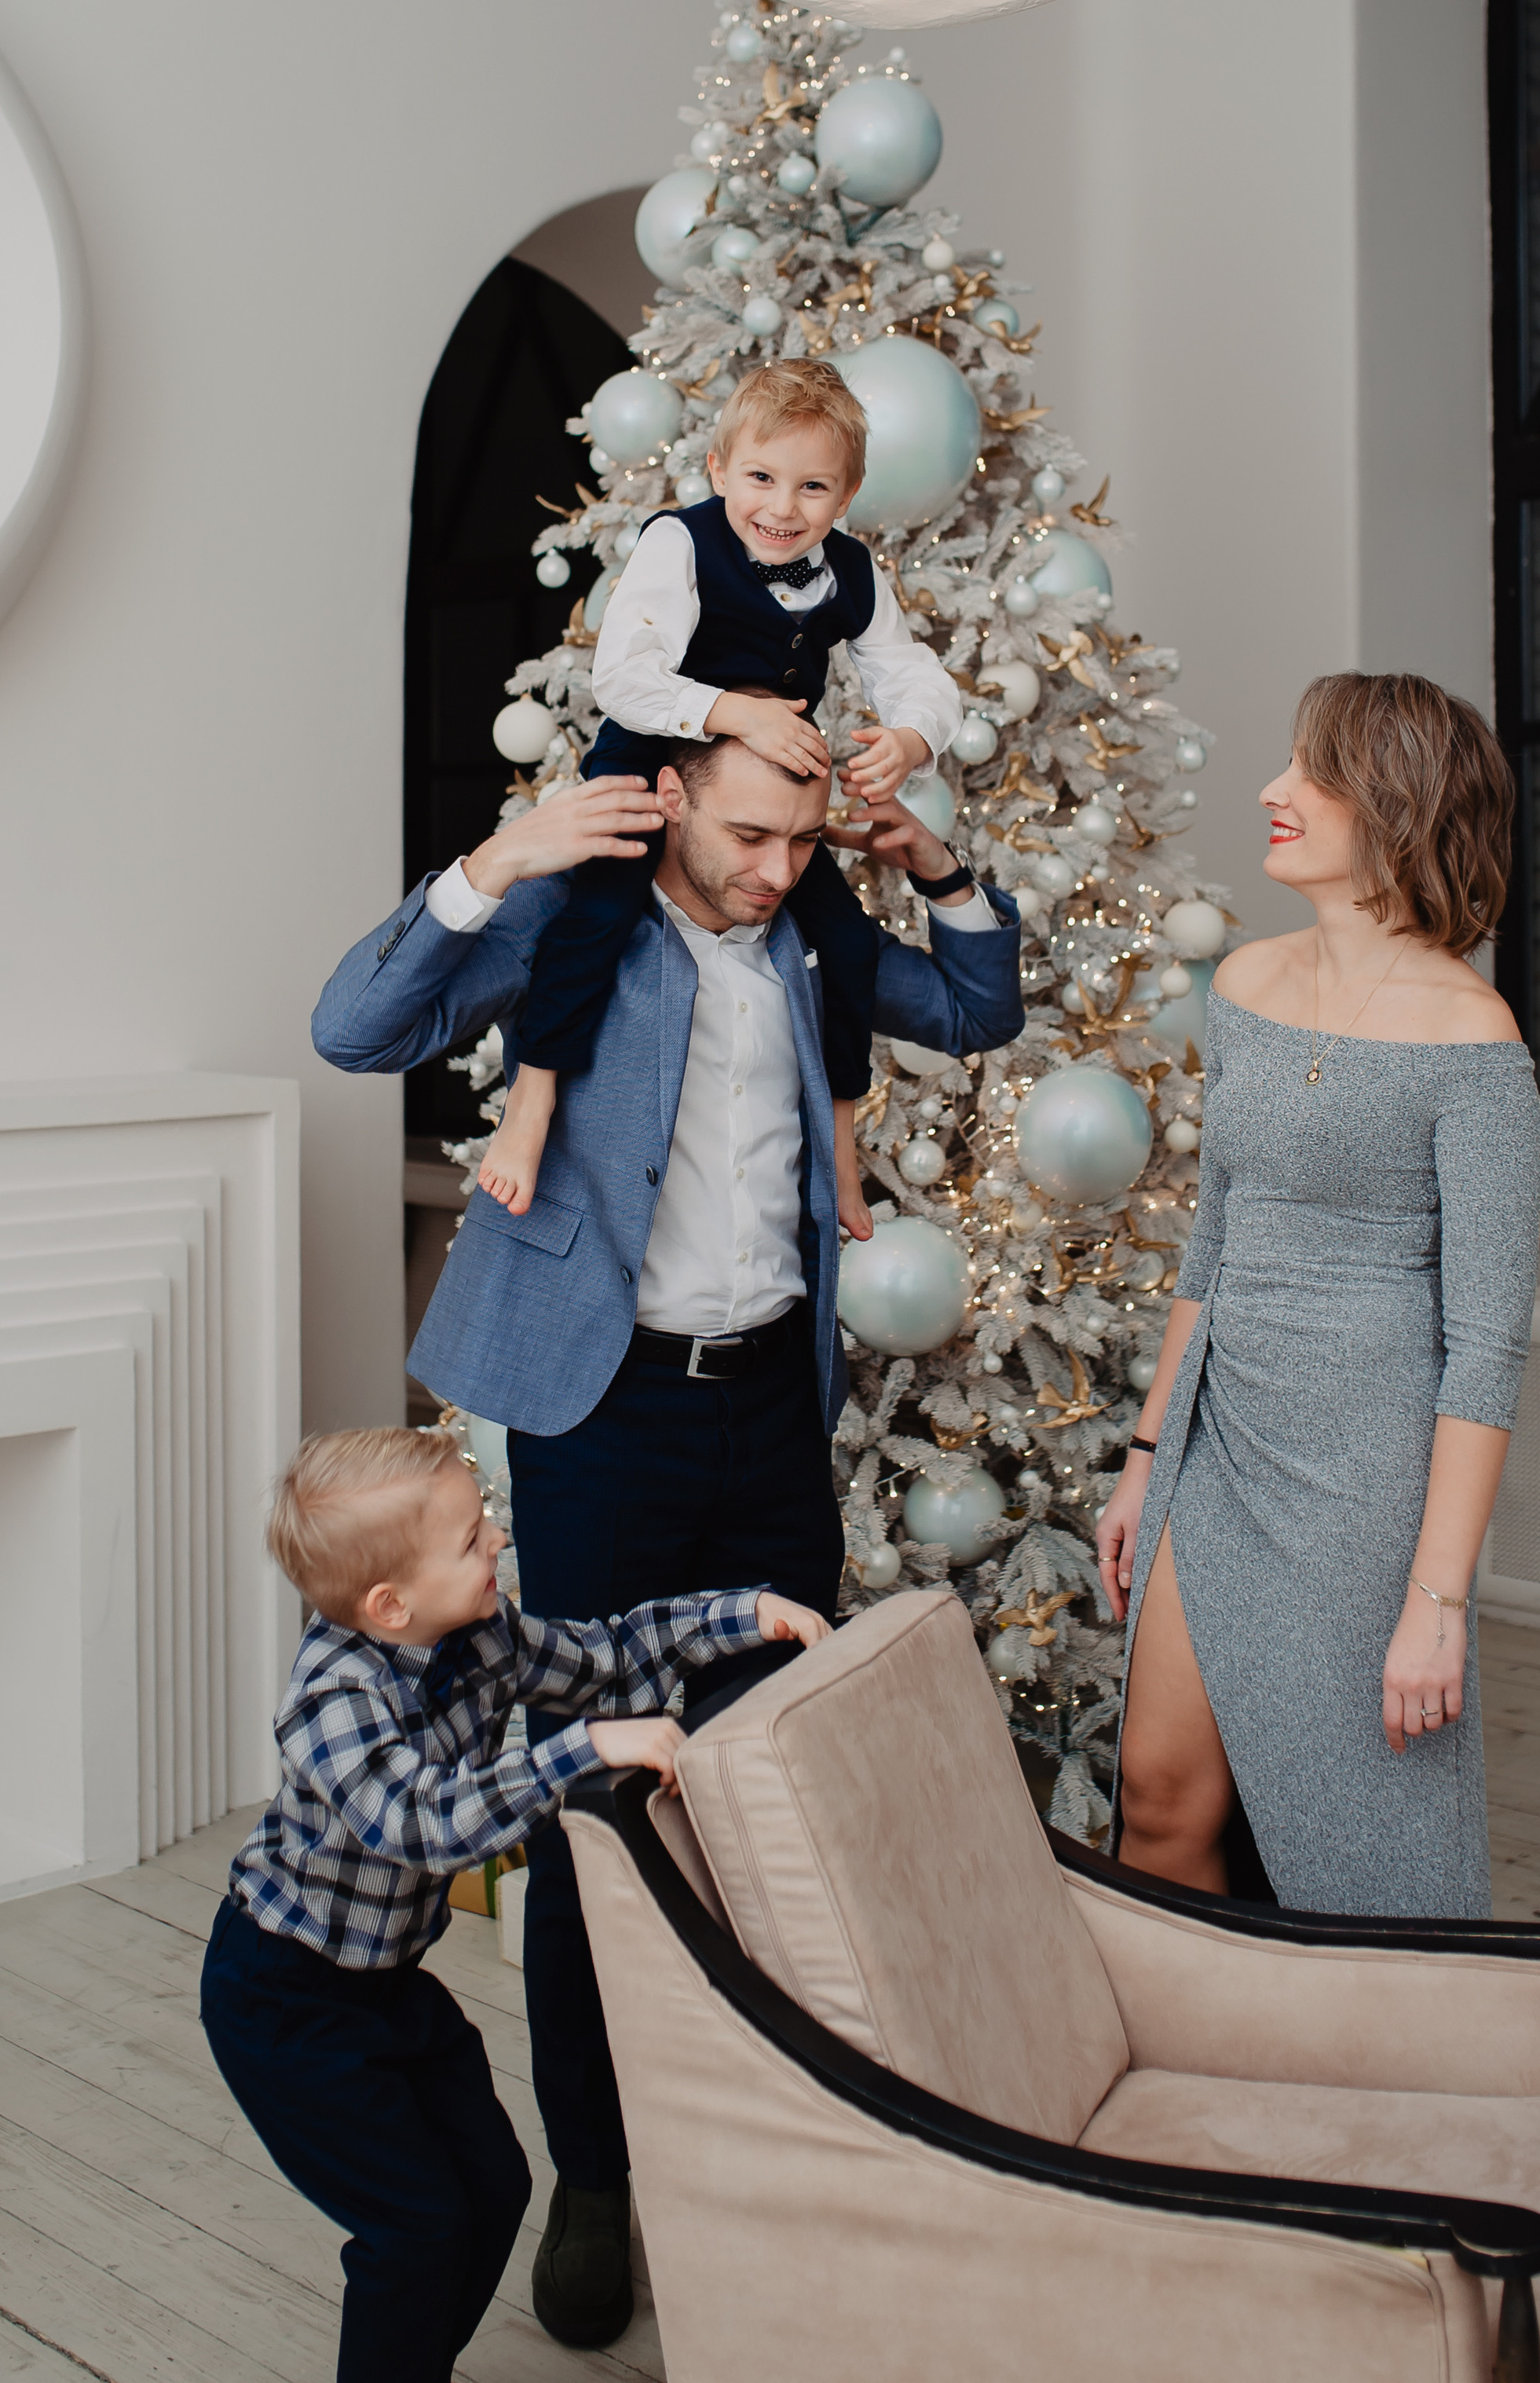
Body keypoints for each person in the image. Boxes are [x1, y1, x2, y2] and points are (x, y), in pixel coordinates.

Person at [313, 732, 1022, 2348]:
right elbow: (354, 1026)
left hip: (771, 1411)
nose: (775, 866)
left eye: (800, 838)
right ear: (673, 796)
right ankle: (600, 2173)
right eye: (751, 832)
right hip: (603, 1419)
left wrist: (932, 866)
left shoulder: (818, 933)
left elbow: (980, 1009)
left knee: (763, 1780)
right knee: (599, 1806)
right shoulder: (575, 917)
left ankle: (760, 2147)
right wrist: (498, 859)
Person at [199, 1422, 829, 2382]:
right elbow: (424, 1824)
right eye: (468, 1535)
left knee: (495, 2187)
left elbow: (608, 1652)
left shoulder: (479, 1633)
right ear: (388, 1601)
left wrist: (744, 1612)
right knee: (415, 2226)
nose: (497, 1538)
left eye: (483, 1518)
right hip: (284, 1999)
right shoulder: (330, 1701)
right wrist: (586, 1749)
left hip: (382, 1987)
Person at [1096, 671, 1540, 1920]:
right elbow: (1214, 1242)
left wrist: (1437, 1604)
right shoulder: (1242, 984)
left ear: (1393, 804)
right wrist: (1145, 1459)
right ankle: (1193, 2091)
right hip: (1219, 1442)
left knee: (1368, 1843)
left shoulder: (1477, 1040)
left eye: (1310, 771)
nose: (1272, 790)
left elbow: (1486, 1348)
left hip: (1368, 1481)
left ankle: (1378, 2087)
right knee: (1158, 1794)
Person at [475, 358, 962, 1242]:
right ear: (717, 472)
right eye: (761, 479)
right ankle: (533, 1098)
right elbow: (625, 675)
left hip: (764, 795)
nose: (782, 508)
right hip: (654, 756)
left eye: (813, 487)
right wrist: (734, 710)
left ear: (847, 493)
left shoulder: (850, 571)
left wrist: (910, 739)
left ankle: (842, 1149)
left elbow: (913, 674)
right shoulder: (679, 542)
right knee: (597, 917)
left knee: (844, 943)